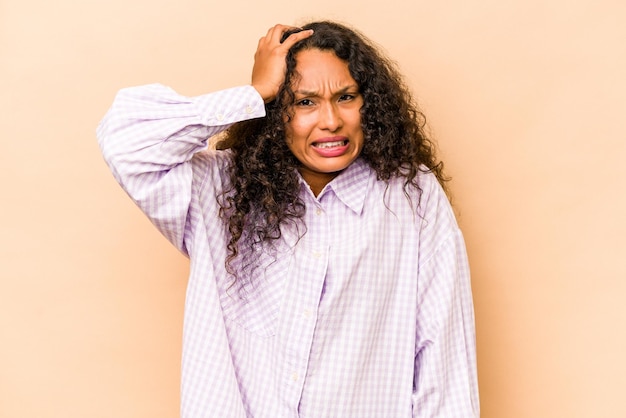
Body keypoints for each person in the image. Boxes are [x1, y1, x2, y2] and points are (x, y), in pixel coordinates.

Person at [97, 21, 479, 417]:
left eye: (346, 97)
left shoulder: (409, 195)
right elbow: (126, 144)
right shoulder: (222, 189)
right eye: (304, 102)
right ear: (276, 111)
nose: (331, 120)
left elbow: (444, 357)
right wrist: (253, 93)